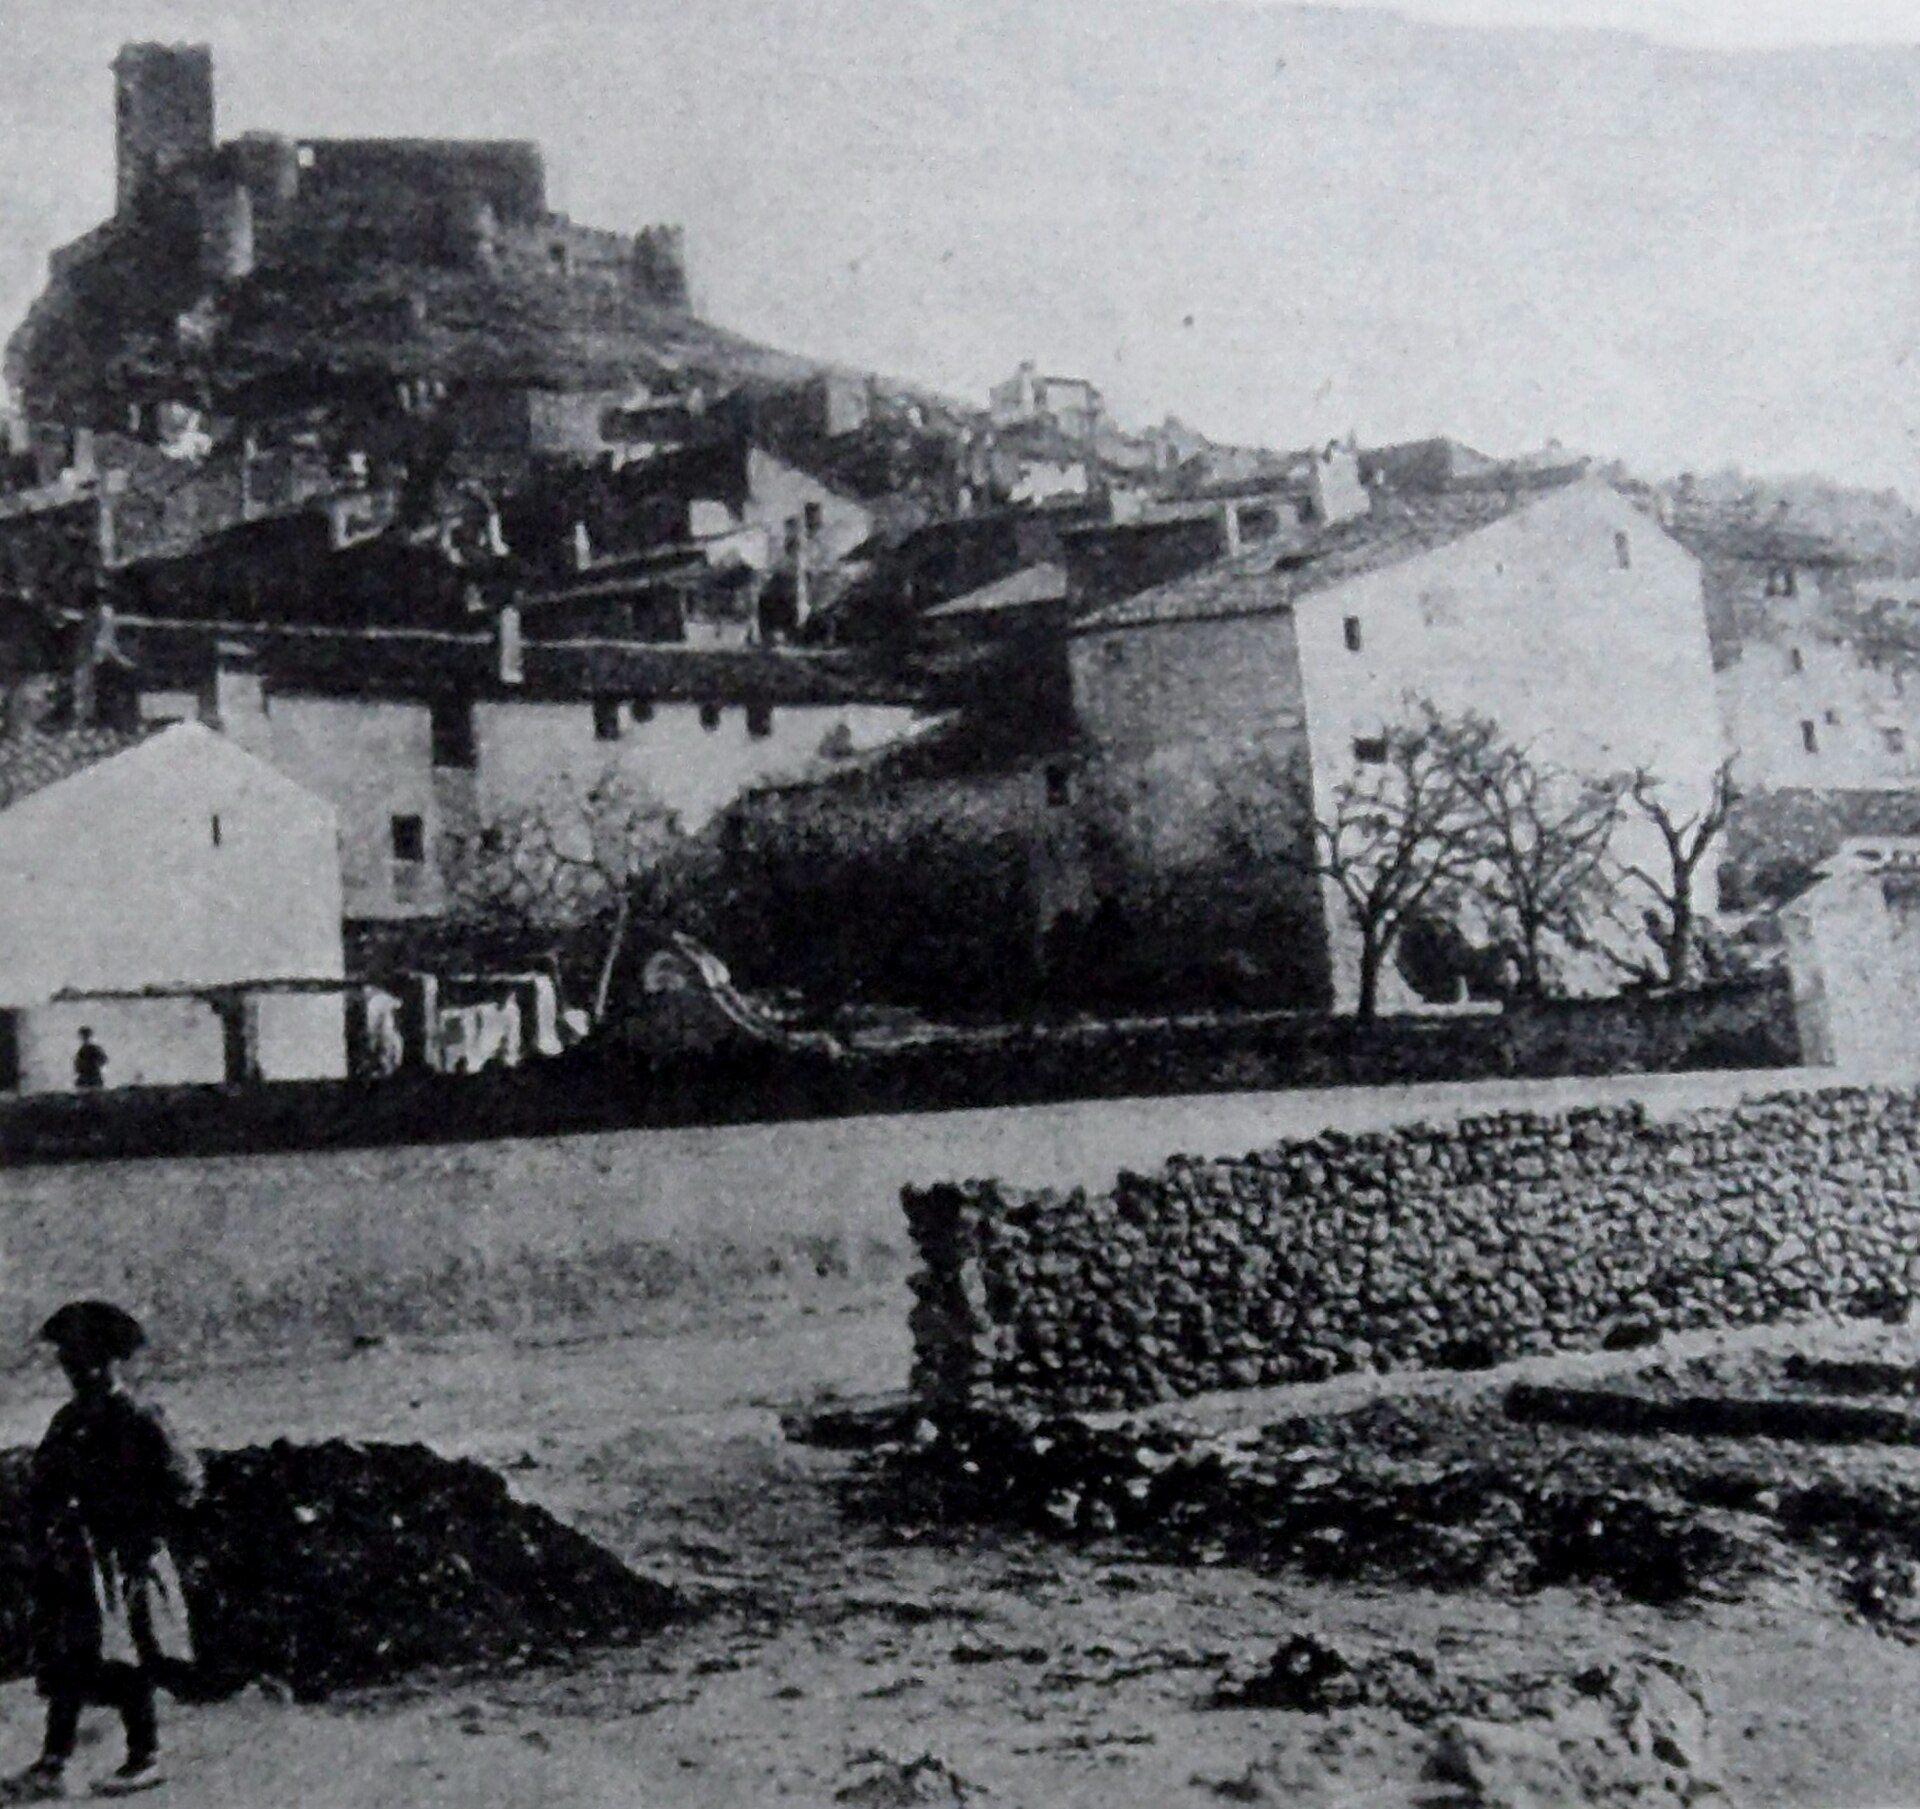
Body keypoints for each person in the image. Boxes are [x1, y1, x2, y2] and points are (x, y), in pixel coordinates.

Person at [6, 1302, 202, 1801]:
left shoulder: (139, 1416)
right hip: (81, 1557)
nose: (74, 1370)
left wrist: (140, 1518)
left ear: (111, 1359)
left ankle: (145, 1757)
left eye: (84, 1358)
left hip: (128, 1556)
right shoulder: (70, 1419)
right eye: (68, 1360)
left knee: (127, 1655)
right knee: (69, 1656)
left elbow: (185, 1481)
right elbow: (44, 1480)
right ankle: (54, 1762)